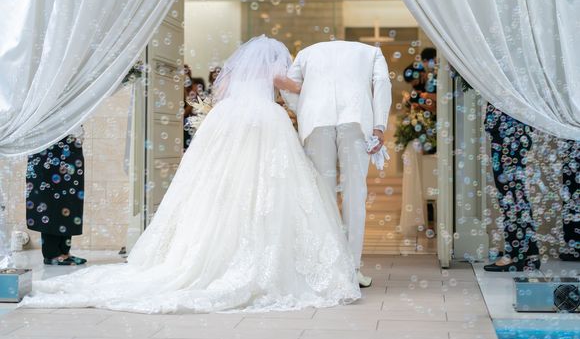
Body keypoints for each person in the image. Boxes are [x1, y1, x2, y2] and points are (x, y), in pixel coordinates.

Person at [20, 36, 359, 313]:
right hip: (263, 122)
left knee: (218, 182)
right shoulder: (274, 72)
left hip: (226, 120)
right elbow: (294, 88)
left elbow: (220, 93)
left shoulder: (233, 76)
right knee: (267, 180)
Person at [281, 40, 391, 288]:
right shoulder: (372, 52)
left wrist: (304, 108)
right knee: (355, 193)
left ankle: (327, 266)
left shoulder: (306, 52)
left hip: (316, 121)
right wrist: (379, 126)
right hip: (356, 119)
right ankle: (352, 269)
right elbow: (383, 84)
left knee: (323, 194)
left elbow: (287, 87)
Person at [483, 105, 541, 272]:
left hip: (507, 133)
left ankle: (514, 255)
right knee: (517, 194)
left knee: (510, 195)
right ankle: (530, 254)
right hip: (514, 131)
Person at [26, 128, 87, 266]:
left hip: (68, 144)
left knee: (69, 200)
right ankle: (52, 253)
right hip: (50, 144)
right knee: (52, 199)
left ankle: (64, 251)